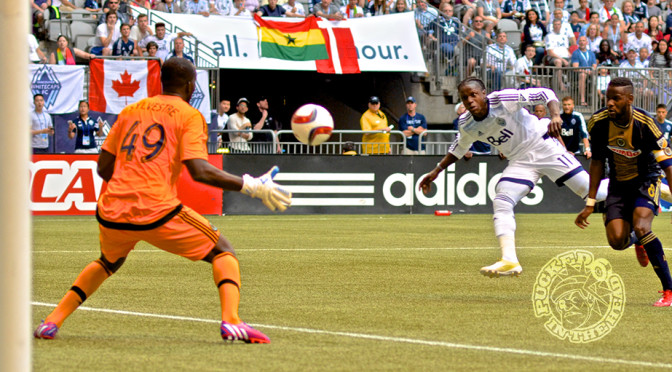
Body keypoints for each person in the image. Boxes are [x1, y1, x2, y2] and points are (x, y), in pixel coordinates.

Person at [33, 59, 292, 342]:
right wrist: (250, 185)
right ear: (192, 85)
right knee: (222, 251)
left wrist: (128, 183)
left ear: (160, 82)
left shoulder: (131, 110)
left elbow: (103, 168)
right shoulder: (189, 115)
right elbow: (200, 170)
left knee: (108, 262)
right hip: (156, 209)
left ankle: (51, 321)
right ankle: (231, 321)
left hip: (111, 209)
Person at [419, 77, 609, 277]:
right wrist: (435, 172)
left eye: (473, 94)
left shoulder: (502, 100)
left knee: (593, 192)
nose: (470, 100)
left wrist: (555, 116)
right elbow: (459, 147)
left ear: (483, 93)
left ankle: (634, 182)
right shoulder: (466, 123)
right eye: (465, 98)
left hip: (542, 145)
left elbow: (546, 94)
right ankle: (509, 260)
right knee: (502, 200)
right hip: (519, 161)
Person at [575, 77, 672, 307]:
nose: (610, 103)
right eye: (608, 98)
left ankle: (669, 290)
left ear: (629, 99)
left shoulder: (645, 124)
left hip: (646, 179)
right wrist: (590, 203)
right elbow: (597, 163)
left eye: (616, 99)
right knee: (617, 242)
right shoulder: (598, 123)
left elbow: (668, 165)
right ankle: (638, 241)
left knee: (641, 226)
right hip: (618, 183)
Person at [544, 18, 571, 92]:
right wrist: (562, 60)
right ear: (553, 26)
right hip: (553, 58)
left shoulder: (564, 36)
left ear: (561, 25)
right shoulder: (549, 36)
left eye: (558, 24)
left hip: (565, 57)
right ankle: (560, 84)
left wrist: (572, 56)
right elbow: (550, 52)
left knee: (575, 61)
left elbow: (566, 49)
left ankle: (572, 84)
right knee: (558, 62)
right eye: (555, 24)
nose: (557, 26)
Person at [571, 35, 597, 106]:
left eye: (583, 41)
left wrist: (591, 71)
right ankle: (582, 99)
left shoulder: (591, 53)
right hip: (579, 73)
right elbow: (575, 67)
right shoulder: (576, 53)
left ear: (587, 42)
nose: (582, 42)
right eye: (580, 41)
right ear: (578, 43)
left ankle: (597, 99)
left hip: (590, 72)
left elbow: (594, 65)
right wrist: (586, 71)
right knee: (582, 75)